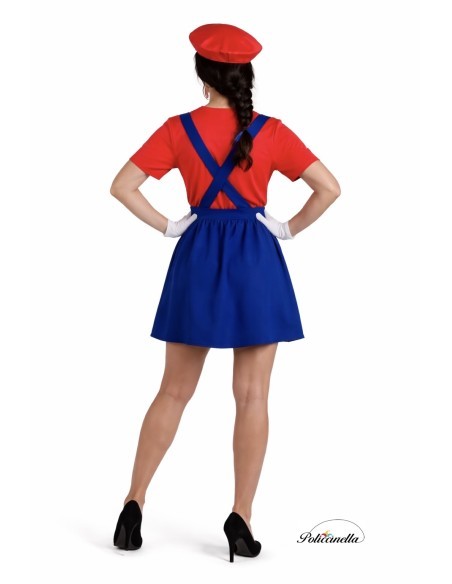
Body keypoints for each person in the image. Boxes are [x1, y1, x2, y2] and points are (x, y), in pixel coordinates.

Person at [110, 23, 341, 561]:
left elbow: (122, 186)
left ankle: (132, 504)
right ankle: (241, 517)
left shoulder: (177, 129)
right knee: (253, 395)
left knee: (173, 391)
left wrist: (169, 226)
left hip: (197, 258)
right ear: (245, 74)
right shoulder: (272, 131)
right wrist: (287, 228)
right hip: (256, 261)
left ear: (202, 73)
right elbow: (330, 188)